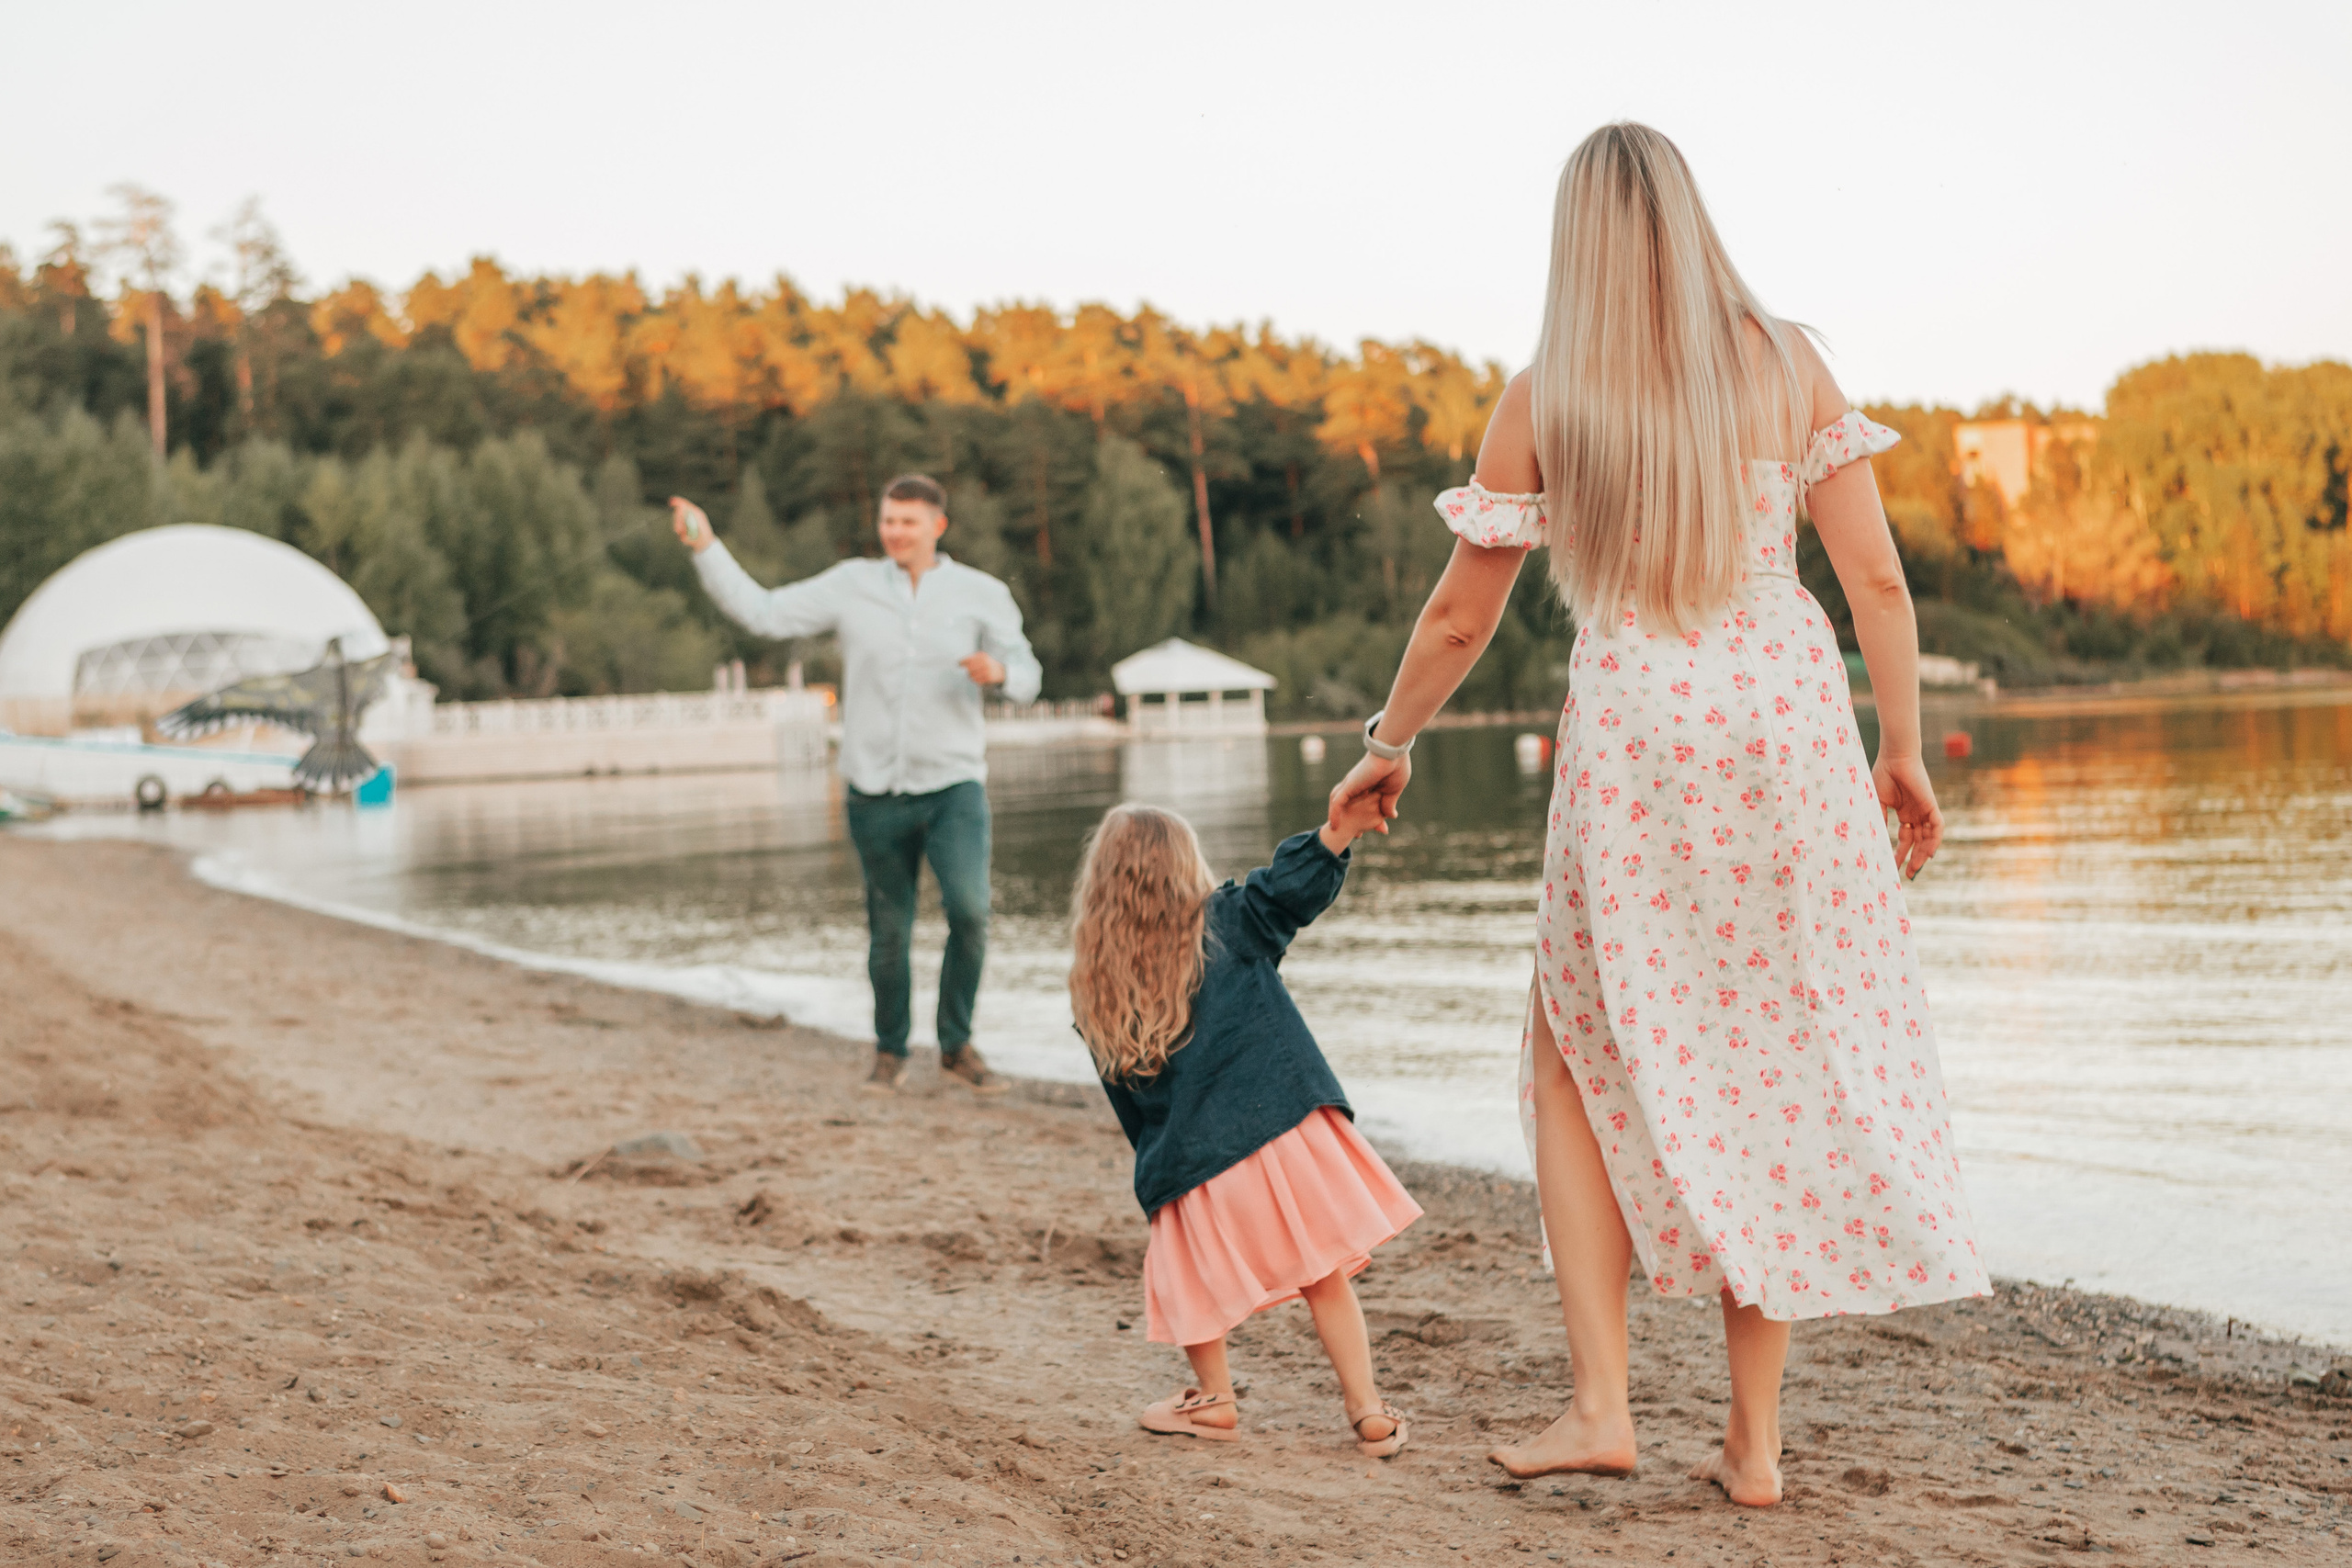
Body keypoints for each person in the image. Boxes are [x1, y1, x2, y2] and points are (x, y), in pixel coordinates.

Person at [1329, 122, 1988, 1506]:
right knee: (1773, 1055)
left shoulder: (1544, 395)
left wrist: (1386, 743)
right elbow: (1875, 581)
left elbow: (1460, 613)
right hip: (1786, 726)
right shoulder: (1788, 359)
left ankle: (1602, 1401)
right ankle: (1754, 1443)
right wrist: (1904, 749)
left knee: (1576, 1047)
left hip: (1637, 735)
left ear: (1573, 237)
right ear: (1691, 221)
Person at [1069, 795, 1419, 1457]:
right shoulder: (1230, 921)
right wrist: (1338, 831)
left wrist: (1163, 1175)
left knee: (1191, 1288)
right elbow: (1292, 888)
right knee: (1323, 1274)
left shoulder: (1096, 990)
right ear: (1185, 866)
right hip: (1281, 1134)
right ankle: (1368, 1409)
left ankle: (1215, 1398)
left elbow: (1132, 1114)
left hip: (1191, 1163)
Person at [672, 473, 1041, 1094]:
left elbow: (1028, 670)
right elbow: (763, 612)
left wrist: (1001, 670)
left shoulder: (982, 593)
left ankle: (956, 1045)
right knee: (889, 931)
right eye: (888, 520)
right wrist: (706, 546)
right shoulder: (851, 585)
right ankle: (889, 1050)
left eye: (909, 521)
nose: (895, 531)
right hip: (873, 787)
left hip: (953, 785)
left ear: (937, 526)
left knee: (971, 911)